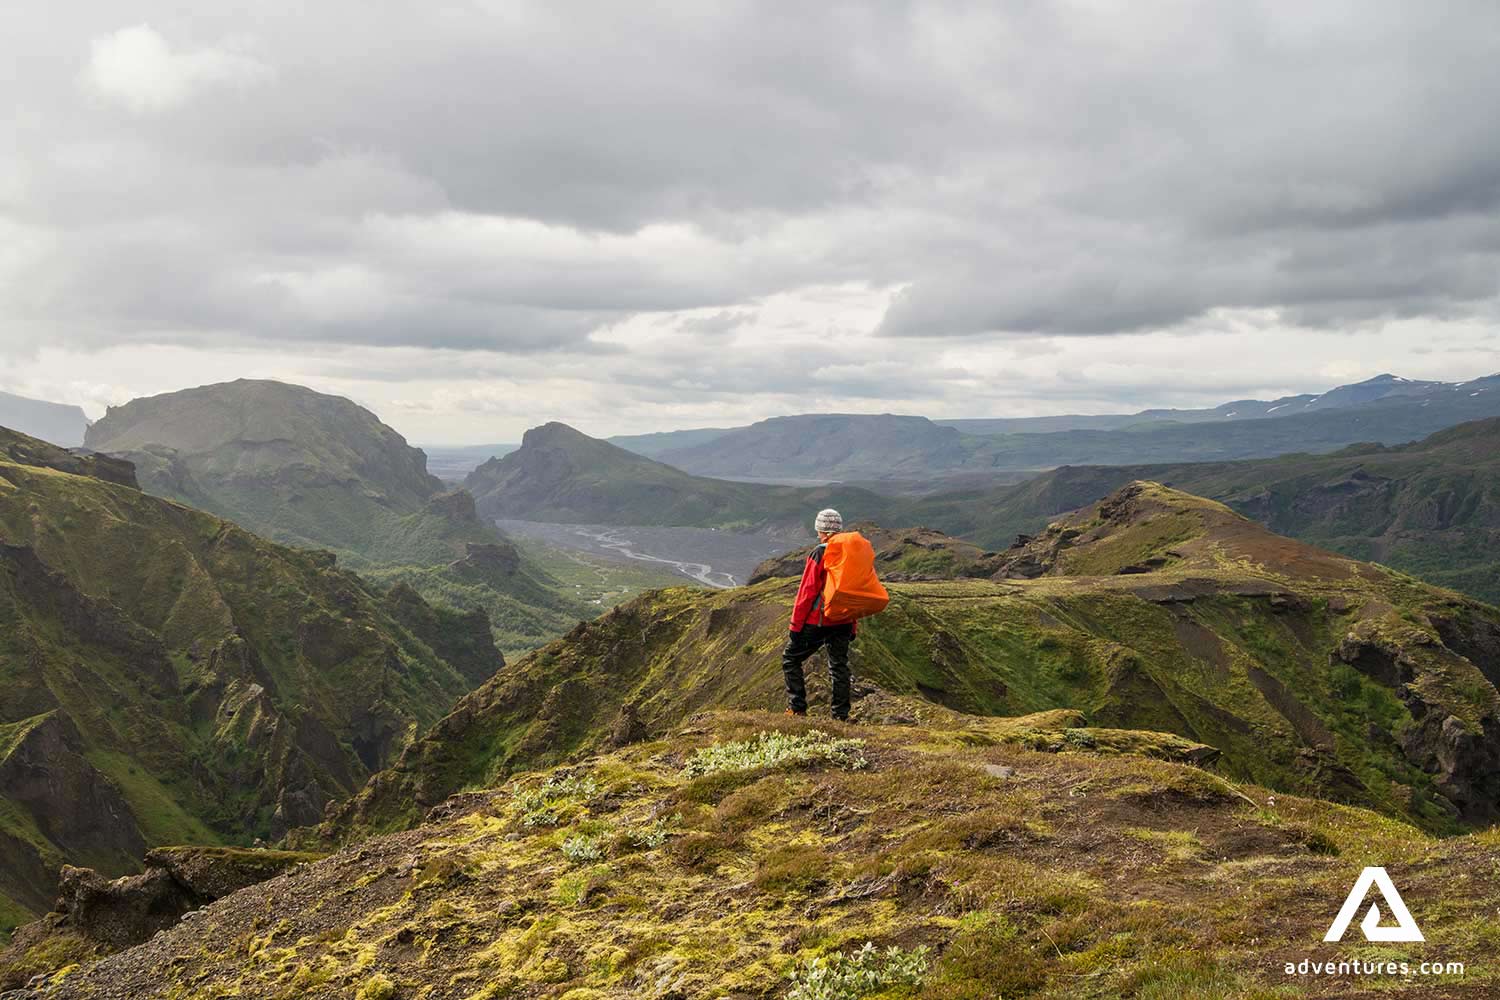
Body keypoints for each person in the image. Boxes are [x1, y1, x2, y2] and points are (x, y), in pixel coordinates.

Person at [781, 508, 856, 721]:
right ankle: (841, 716)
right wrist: (853, 625)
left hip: (819, 621)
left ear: (822, 530)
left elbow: (807, 592)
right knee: (839, 666)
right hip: (844, 619)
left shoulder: (819, 553)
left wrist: (796, 626)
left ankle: (797, 708)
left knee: (790, 659)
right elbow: (854, 592)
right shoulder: (851, 553)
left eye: (818, 530)